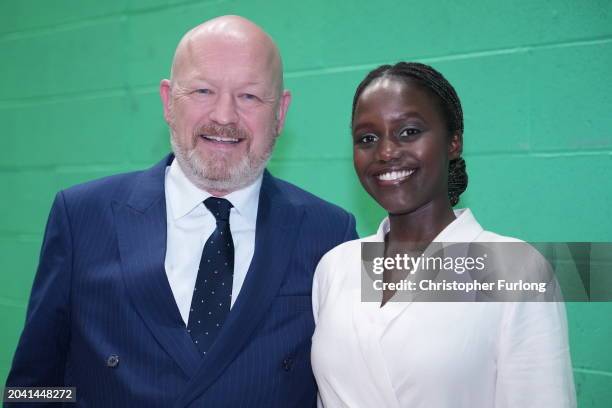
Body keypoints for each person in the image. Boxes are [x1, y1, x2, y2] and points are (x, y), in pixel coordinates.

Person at [6, 15, 357, 407]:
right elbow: (30, 388)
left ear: (280, 112)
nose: (224, 116)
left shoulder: (331, 233)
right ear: (167, 101)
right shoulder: (81, 216)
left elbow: (378, 363)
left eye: (250, 96)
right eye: (203, 90)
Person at [311, 62, 576, 407]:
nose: (386, 152)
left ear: (453, 142)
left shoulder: (516, 268)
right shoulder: (336, 266)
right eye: (367, 138)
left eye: (408, 131)